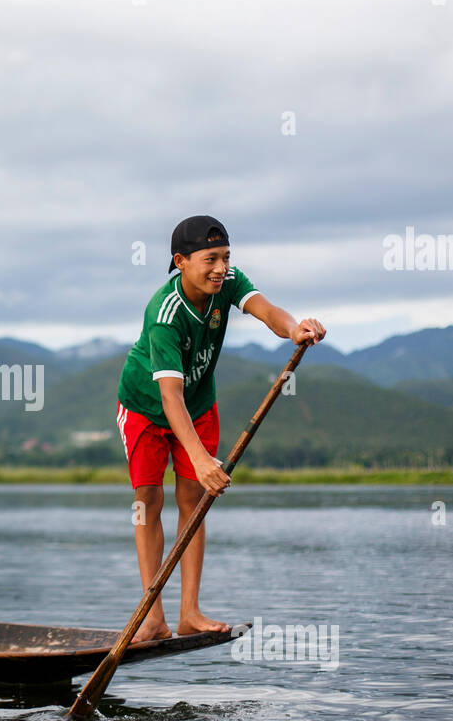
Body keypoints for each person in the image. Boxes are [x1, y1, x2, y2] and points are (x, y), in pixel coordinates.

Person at [116, 215, 326, 641]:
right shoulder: (164, 313)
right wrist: (199, 457)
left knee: (193, 497)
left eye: (226, 258)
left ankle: (189, 612)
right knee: (149, 497)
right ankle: (151, 616)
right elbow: (168, 397)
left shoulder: (227, 282)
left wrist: (294, 329)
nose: (220, 267)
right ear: (181, 261)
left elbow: (265, 310)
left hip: (197, 405)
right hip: (146, 406)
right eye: (210, 258)